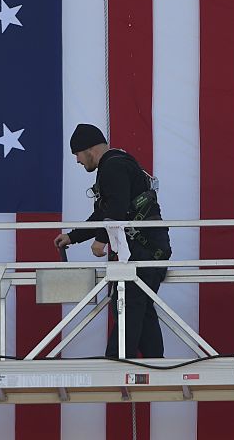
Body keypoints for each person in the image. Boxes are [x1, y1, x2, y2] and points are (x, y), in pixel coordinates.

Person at [53, 123, 171, 359]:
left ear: (90, 150)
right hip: (149, 250)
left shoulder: (112, 167)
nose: (77, 160)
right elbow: (104, 213)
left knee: (126, 302)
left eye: (77, 154)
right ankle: (155, 360)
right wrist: (73, 237)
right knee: (140, 306)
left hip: (143, 251)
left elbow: (116, 207)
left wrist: (100, 240)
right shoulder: (117, 165)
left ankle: (116, 362)